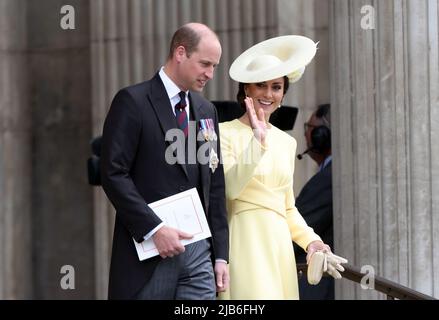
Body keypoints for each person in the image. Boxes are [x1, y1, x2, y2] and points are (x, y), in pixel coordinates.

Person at [100, 22, 229, 300]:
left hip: (199, 255)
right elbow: (112, 173)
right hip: (148, 256)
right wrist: (154, 228)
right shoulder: (132, 101)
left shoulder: (207, 110)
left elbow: (215, 185)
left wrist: (221, 256)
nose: (210, 73)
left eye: (215, 66)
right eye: (205, 63)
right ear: (180, 52)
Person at [217, 35, 335, 300]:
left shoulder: (286, 142)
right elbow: (230, 189)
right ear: (246, 89)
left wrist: (311, 241)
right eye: (261, 85)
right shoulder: (222, 133)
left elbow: (287, 207)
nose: (268, 94)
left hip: (279, 246)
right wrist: (256, 142)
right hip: (243, 240)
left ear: (283, 94)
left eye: (276, 87)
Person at [294, 104, 334, 300]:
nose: (305, 136)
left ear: (322, 137)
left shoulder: (328, 179)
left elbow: (294, 232)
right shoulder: (327, 176)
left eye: (310, 130)